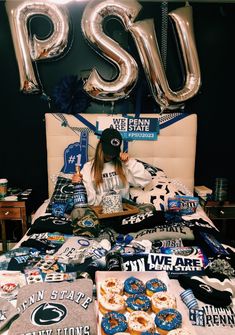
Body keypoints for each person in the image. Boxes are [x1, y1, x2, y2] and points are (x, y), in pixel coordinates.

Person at [72, 127, 152, 206]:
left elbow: (145, 180)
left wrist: (129, 162)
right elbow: (90, 201)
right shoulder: (88, 168)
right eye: (108, 151)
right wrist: (79, 184)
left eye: (113, 151)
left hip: (123, 211)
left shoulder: (123, 165)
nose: (110, 155)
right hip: (101, 212)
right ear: (100, 146)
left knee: (151, 209)